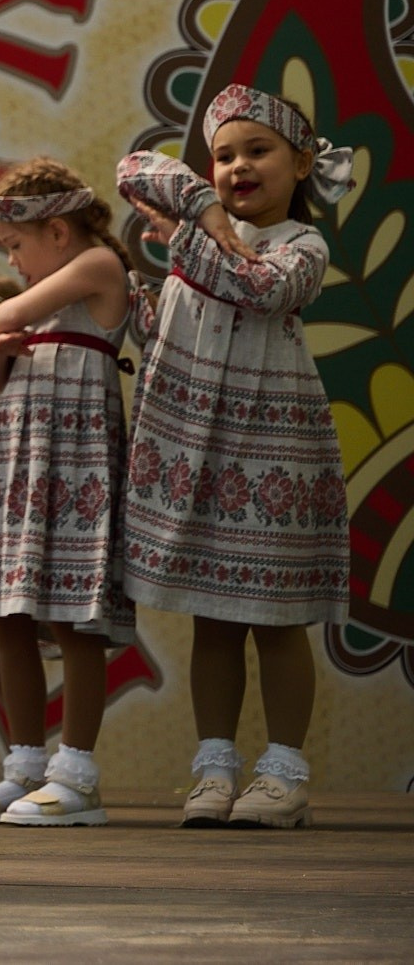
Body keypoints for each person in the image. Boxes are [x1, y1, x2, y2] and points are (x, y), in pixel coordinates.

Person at [118, 86, 354, 829]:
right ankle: (214, 767)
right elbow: (133, 169)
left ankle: (285, 773)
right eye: (223, 155)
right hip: (201, 457)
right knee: (212, 620)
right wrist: (206, 218)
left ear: (302, 162)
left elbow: (260, 287)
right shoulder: (205, 235)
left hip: (272, 458)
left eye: (258, 150)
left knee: (276, 621)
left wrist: (192, 237)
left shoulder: (299, 246)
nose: (237, 166)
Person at [0, 160, 138, 827]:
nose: (14, 260)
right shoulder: (53, 290)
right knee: (7, 615)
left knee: (72, 617)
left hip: (76, 465)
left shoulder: (97, 269)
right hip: (18, 467)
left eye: (17, 244)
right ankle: (23, 766)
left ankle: (76, 775)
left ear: (57, 231)